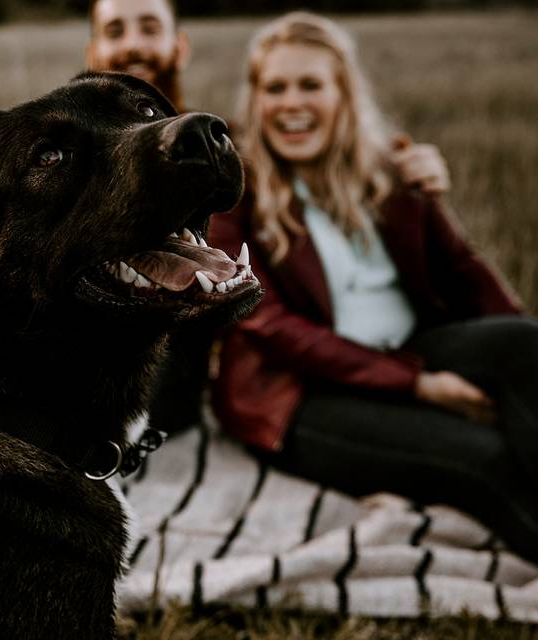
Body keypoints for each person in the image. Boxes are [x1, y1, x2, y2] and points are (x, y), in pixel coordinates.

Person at [208, 11, 538, 635]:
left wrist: (517, 378)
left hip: (412, 346)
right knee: (487, 458)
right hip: (299, 400)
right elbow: (267, 324)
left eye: (310, 86)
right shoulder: (235, 194)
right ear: (256, 98)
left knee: (526, 342)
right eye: (275, 88)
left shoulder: (394, 172)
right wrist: (415, 385)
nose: (291, 105)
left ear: (343, 95)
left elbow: (466, 274)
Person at [84, 0, 453, 435]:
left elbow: (313, 138)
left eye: (149, 28)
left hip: (176, 397)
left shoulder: (226, 144)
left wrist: (401, 161)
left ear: (179, 47)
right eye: (115, 31)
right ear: (94, 52)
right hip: (93, 390)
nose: (133, 45)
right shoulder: (76, 157)